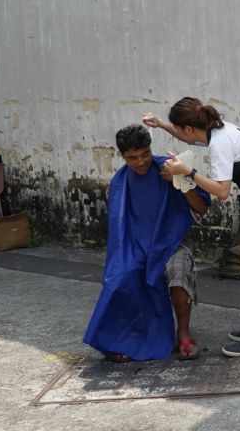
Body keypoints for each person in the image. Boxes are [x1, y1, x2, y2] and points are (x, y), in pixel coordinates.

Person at [143, 99, 240, 357]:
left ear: (190, 128)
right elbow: (186, 135)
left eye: (180, 130)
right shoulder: (215, 129)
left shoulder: (219, 143)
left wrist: (188, 172)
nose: (181, 136)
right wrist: (160, 124)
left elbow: (222, 192)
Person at [83, 124, 210, 361]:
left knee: (178, 272)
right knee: (120, 276)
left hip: (173, 244)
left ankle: (183, 334)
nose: (141, 162)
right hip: (136, 247)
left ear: (150, 149)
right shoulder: (120, 182)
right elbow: (120, 230)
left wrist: (180, 181)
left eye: (145, 155)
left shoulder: (170, 168)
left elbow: (201, 208)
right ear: (122, 156)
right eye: (132, 158)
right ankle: (125, 337)